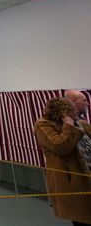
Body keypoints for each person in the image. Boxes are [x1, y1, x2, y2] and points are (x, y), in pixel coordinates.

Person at [34, 96, 91, 226]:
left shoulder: (81, 123)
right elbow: (61, 147)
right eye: (72, 110)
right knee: (83, 218)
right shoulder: (43, 125)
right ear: (63, 114)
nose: (76, 112)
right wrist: (68, 126)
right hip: (74, 181)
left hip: (88, 174)